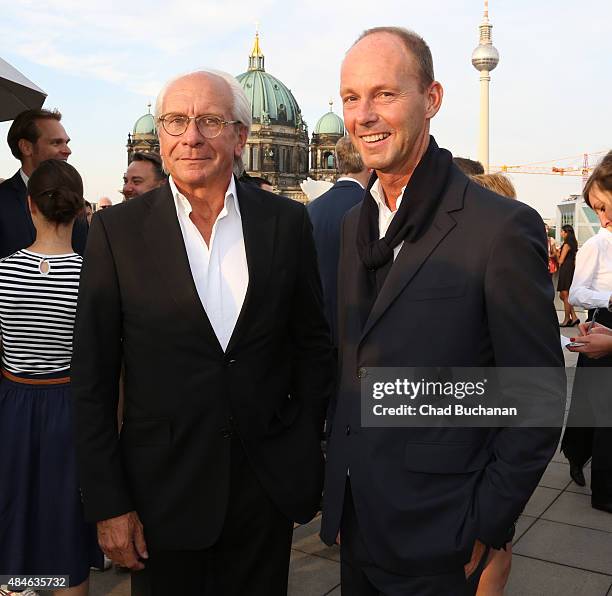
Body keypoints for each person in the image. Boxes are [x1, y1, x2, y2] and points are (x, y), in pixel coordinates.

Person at [320, 27, 564, 595]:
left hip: (445, 532)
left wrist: (489, 520)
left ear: (431, 99)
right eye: (351, 97)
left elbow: (538, 395)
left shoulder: (500, 227)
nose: (364, 115)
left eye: (385, 93)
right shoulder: (358, 221)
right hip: (358, 523)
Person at [71, 69, 333, 595]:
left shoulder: (286, 223)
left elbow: (312, 349)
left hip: (264, 491)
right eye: (175, 121)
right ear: (161, 135)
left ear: (240, 137)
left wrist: (299, 443)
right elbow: (93, 378)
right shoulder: (116, 231)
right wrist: (107, 502)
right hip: (158, 496)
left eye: (210, 121)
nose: (191, 136)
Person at [0, 160, 103, 594]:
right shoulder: (94, 276)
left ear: (29, 206)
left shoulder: (2, 270)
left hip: (12, 409)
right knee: (64, 529)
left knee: (13, 518)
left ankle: (19, 581)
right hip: (72, 411)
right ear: (81, 209)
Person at [561, 150, 612, 511]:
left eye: (605, 207)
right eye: (596, 210)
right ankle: (578, 458)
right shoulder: (597, 243)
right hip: (602, 324)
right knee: (593, 409)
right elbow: (577, 292)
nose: (603, 218)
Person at [0, 109, 88, 259]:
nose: (67, 150)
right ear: (26, 147)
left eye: (66, 142)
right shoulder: (3, 199)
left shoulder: (74, 197)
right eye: (56, 143)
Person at [307, 136, 369, 345]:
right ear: (368, 163)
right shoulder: (373, 209)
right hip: (360, 330)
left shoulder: (311, 209)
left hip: (318, 328)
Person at [557, 224, 579, 326]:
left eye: (562, 231)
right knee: (563, 295)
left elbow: (560, 260)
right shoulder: (573, 243)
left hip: (565, 269)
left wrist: (557, 253)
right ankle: (574, 317)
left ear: (566, 232)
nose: (561, 233)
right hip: (570, 269)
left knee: (565, 295)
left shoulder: (566, 245)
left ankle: (567, 319)